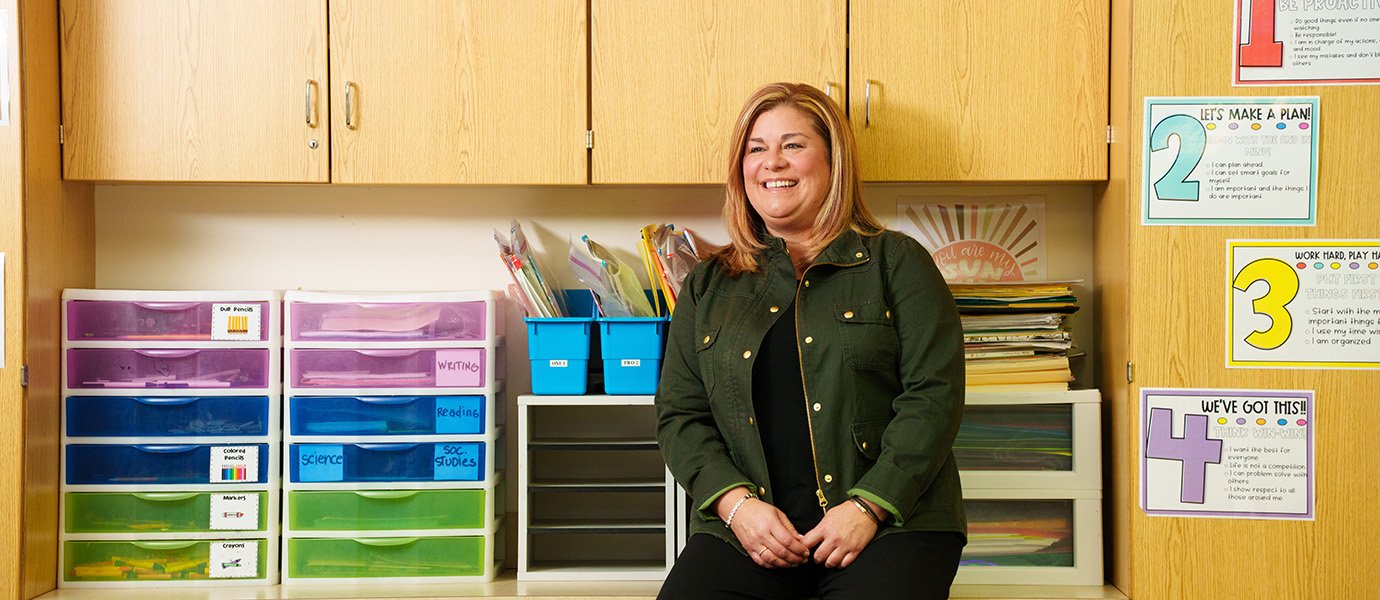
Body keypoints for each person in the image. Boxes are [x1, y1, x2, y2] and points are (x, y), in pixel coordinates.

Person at [654, 82, 967, 600]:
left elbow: (933, 398)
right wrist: (738, 508)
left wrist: (869, 505)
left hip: (892, 525)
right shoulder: (708, 284)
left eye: (793, 145)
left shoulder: (898, 262)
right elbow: (679, 416)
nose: (772, 163)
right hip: (747, 535)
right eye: (756, 149)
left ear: (832, 161)